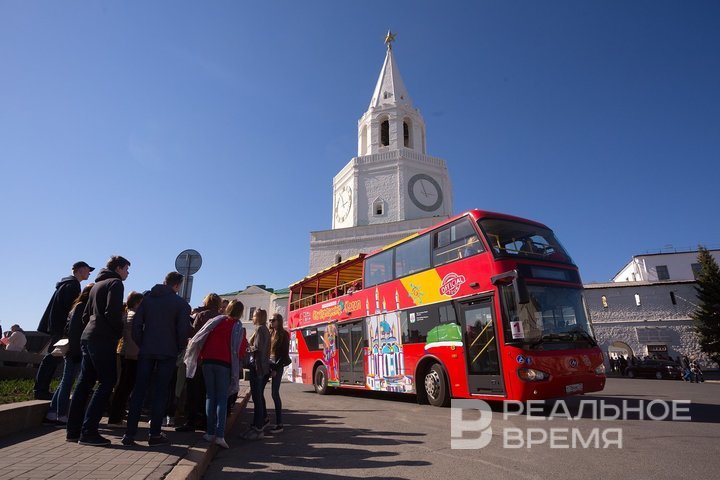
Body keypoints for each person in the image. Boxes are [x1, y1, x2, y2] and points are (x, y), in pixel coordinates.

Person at [121, 272, 191, 447]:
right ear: (177, 285)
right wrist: (179, 347)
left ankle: (129, 434)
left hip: (146, 351)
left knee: (139, 390)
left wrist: (142, 342)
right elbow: (183, 331)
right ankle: (154, 434)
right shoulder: (181, 304)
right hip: (168, 353)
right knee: (161, 392)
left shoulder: (147, 300)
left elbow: (137, 324)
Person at [66, 256, 130, 446]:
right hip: (103, 339)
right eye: (126, 269)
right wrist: (118, 332)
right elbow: (112, 312)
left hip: (88, 337)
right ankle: (89, 432)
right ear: (118, 268)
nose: (127, 273)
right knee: (107, 381)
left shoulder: (96, 285)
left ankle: (73, 431)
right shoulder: (115, 284)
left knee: (84, 383)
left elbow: (86, 315)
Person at [184, 299, 245, 449]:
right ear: (240, 312)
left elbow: (201, 336)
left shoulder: (216, 321)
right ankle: (219, 435)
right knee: (222, 399)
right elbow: (240, 350)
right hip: (224, 364)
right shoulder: (237, 326)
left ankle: (209, 432)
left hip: (207, 361)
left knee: (210, 396)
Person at [35, 261, 94, 400]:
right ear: (80, 270)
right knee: (52, 358)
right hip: (62, 328)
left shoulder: (66, 284)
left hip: (57, 327)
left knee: (52, 357)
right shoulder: (72, 285)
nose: (89, 273)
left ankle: (41, 388)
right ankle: (41, 390)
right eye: (87, 270)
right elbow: (70, 311)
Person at [45, 284, 93, 425]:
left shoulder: (77, 306)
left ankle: (52, 413)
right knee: (67, 382)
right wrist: (76, 351)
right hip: (75, 350)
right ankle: (61, 415)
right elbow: (74, 331)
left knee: (65, 381)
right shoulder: (82, 307)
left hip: (74, 349)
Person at [176, 293, 222, 432]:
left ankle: (191, 421)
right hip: (214, 358)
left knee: (193, 390)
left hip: (199, 359)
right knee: (208, 392)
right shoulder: (221, 318)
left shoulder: (201, 316)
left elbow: (194, 336)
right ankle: (206, 421)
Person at [107, 291, 144, 426]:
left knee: (122, 385)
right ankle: (116, 417)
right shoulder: (134, 316)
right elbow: (134, 336)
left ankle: (115, 416)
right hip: (131, 354)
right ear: (137, 302)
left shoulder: (126, 314)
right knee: (125, 386)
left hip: (123, 352)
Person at [242, 308, 270, 440]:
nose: (252, 318)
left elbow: (257, 348)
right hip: (262, 367)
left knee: (257, 398)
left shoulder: (260, 329)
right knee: (258, 397)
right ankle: (258, 424)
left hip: (258, 367)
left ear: (258, 317)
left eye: (253, 315)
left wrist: (246, 348)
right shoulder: (265, 329)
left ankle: (258, 427)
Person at [262, 313, 290, 434]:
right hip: (268, 364)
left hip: (277, 366)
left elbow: (283, 355)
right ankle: (265, 418)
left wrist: (275, 369)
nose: (271, 322)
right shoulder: (270, 333)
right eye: (270, 320)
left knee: (274, 393)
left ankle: (279, 424)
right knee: (259, 391)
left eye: (273, 320)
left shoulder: (284, 334)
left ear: (279, 321)